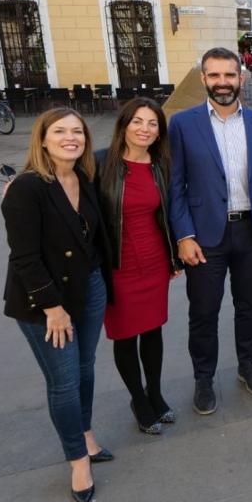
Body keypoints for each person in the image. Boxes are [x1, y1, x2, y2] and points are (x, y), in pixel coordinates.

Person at [1, 108, 114, 502]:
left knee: (85, 368)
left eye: (78, 131)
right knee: (64, 381)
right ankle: (77, 460)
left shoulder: (82, 176)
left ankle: (84, 432)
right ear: (43, 139)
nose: (71, 138)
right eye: (60, 132)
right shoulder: (27, 188)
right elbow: (25, 258)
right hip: (46, 303)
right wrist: (53, 308)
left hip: (90, 287)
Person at [168, 47, 252, 415]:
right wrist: (184, 235)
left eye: (229, 75)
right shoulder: (183, 124)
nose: (223, 83)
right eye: (215, 76)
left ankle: (246, 365)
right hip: (204, 237)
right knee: (204, 311)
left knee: (249, 305)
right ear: (204, 79)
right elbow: (176, 185)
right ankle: (203, 378)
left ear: (242, 77)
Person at [95, 98, 181, 435]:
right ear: (124, 125)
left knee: (153, 331)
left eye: (152, 124)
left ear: (159, 132)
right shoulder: (100, 163)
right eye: (137, 122)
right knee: (126, 336)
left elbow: (168, 215)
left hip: (155, 261)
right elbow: (61, 186)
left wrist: (174, 255)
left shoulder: (162, 165)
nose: (144, 129)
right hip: (118, 264)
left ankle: (155, 393)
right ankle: (138, 398)